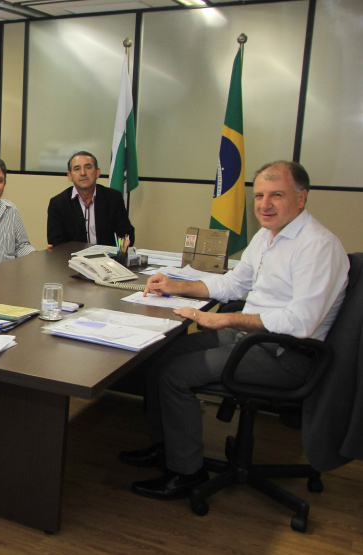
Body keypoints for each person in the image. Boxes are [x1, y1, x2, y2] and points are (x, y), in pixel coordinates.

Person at [120, 161, 349, 501]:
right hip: (254, 339)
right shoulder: (267, 236)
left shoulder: (318, 246)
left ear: (301, 199)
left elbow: (300, 323)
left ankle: (187, 473)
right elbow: (233, 284)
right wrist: (177, 286)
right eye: (259, 196)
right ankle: (167, 448)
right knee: (159, 357)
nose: (264, 205)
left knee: (174, 375)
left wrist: (227, 320)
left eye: (276, 195)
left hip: (288, 354)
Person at [46, 151, 134, 247]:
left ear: (97, 172)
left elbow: (126, 234)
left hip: (107, 256)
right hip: (72, 256)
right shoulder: (58, 203)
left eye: (88, 167)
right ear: (70, 176)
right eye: (77, 169)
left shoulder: (113, 198)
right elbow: (56, 242)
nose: (83, 173)